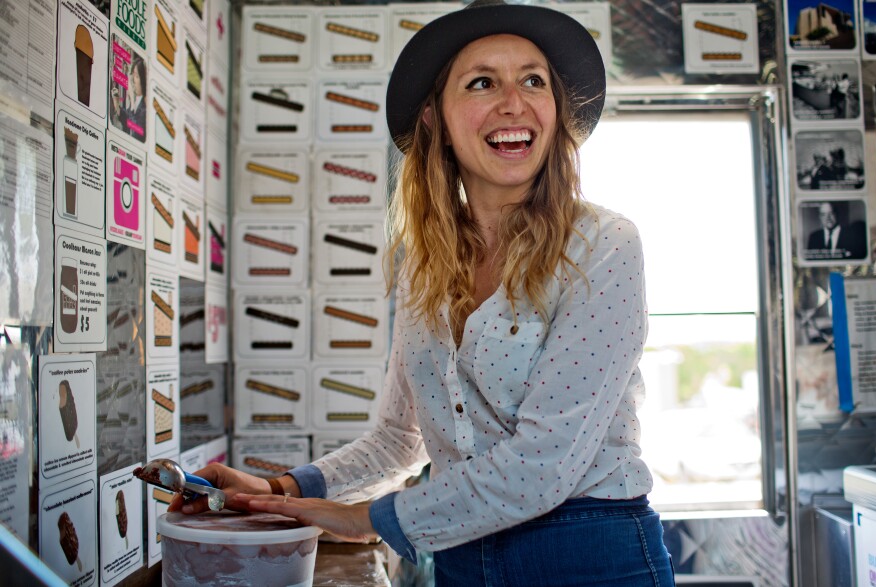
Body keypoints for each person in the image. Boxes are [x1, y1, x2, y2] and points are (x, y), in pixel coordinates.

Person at [171, 1, 674, 584]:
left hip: (591, 555)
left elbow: (543, 465)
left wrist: (364, 519)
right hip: (462, 557)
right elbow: (396, 439)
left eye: (533, 81)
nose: (514, 102)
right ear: (435, 117)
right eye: (483, 82)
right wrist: (280, 488)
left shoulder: (604, 246)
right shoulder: (424, 267)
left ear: (556, 112)